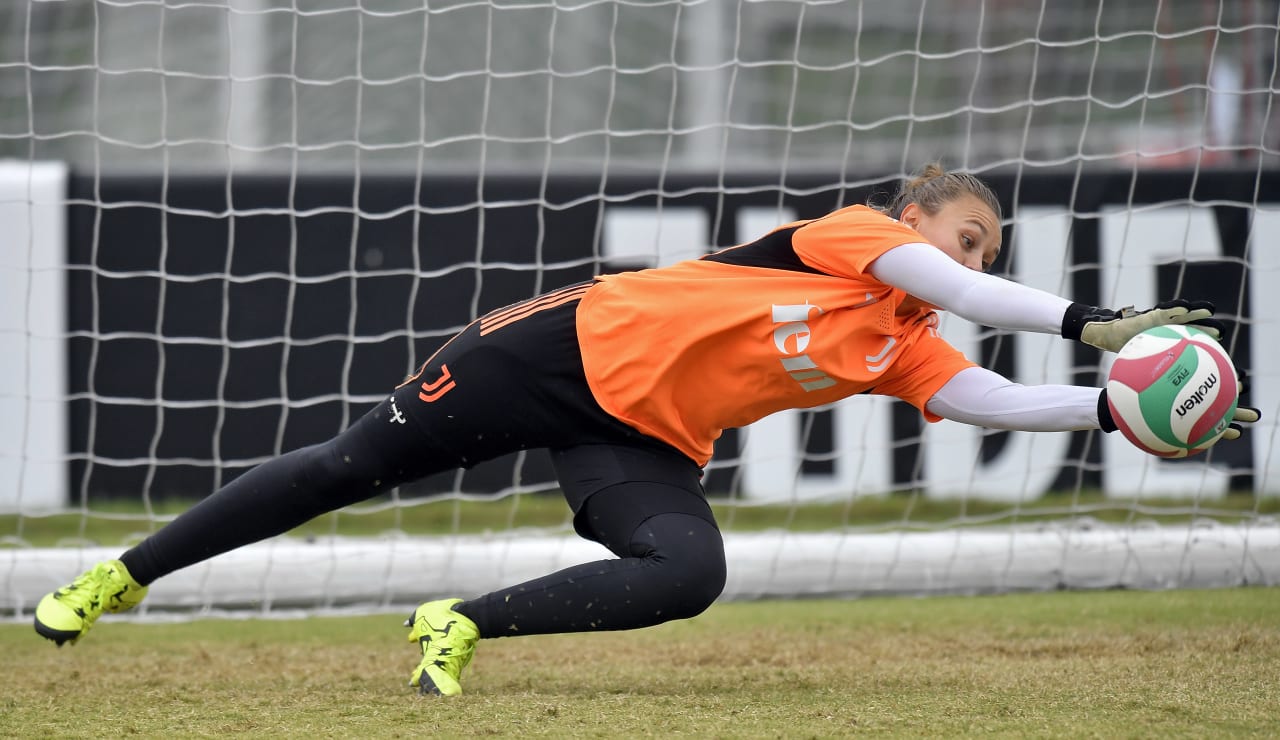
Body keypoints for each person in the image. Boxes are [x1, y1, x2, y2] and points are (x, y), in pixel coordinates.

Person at [34, 164, 1260, 696]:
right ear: (911, 218)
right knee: (347, 467)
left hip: (644, 433)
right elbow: (979, 304)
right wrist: (1095, 323)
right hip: (555, 351)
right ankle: (116, 576)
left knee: (688, 571)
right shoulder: (848, 241)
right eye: (961, 235)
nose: (970, 257)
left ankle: (456, 622)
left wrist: (1119, 405)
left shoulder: (904, 343)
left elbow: (984, 395)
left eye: (987, 247)